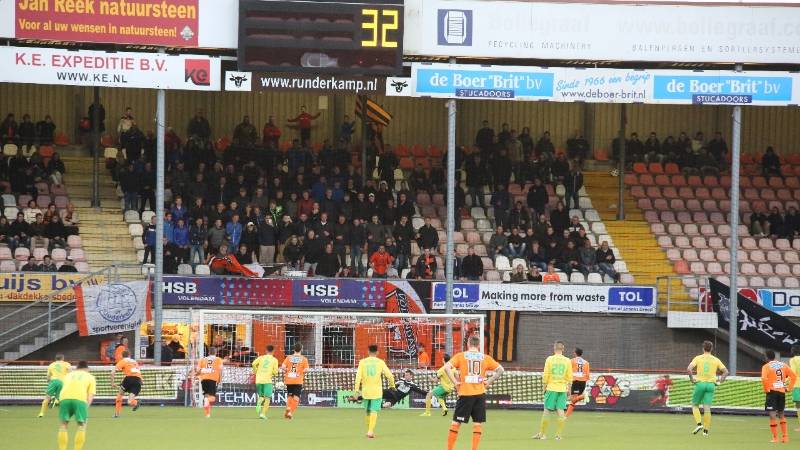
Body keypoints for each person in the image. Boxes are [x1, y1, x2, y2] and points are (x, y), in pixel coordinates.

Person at [444, 335, 504, 450]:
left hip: (465, 394)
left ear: (468, 344)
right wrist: (489, 382)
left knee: (456, 424)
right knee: (477, 424)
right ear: (478, 346)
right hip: (480, 395)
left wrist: (456, 383)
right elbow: (501, 370)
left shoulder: (461, 356)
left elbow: (447, 367)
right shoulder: (485, 357)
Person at [687, 340, 728, 437]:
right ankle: (705, 431)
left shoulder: (698, 358)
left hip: (700, 384)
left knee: (695, 405)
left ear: (703, 348)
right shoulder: (716, 359)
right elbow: (726, 372)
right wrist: (720, 382)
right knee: (707, 408)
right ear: (711, 349)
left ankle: (699, 424)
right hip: (711, 385)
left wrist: (692, 379)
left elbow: (689, 369)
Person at [533, 341, 573, 441]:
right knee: (561, 411)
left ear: (554, 349)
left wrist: (544, 388)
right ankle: (558, 435)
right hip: (562, 389)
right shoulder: (567, 360)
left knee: (546, 411)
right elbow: (569, 376)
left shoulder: (550, 359)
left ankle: (542, 434)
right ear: (563, 349)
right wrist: (569, 390)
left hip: (551, 388)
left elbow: (546, 374)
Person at [354, 344, 396, 438]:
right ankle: (370, 431)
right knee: (374, 411)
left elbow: (358, 377)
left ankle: (369, 431)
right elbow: (389, 375)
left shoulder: (362, 362)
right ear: (377, 352)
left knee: (368, 411)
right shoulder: (380, 362)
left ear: (368, 351)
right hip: (376, 391)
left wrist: (356, 390)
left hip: (366, 391)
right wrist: (392, 385)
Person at [56, 360, 95, 450]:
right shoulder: (90, 377)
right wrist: (86, 407)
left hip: (64, 399)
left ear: (77, 368)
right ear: (87, 369)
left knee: (63, 424)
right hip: (80, 399)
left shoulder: (68, 375)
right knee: (82, 425)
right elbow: (90, 395)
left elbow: (62, 388)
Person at [762, 349, 796, 443]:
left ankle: (775, 438)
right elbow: (793, 376)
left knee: (772, 415)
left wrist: (766, 390)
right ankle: (785, 437)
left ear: (766, 357)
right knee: (781, 414)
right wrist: (789, 388)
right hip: (781, 391)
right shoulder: (783, 365)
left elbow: (764, 379)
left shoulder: (766, 366)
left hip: (772, 392)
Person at [281, 343, 309, 419]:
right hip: (297, 380)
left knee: (290, 395)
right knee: (296, 397)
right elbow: (306, 369)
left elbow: (283, 367)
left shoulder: (289, 357)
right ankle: (290, 412)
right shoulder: (304, 359)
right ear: (301, 349)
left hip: (289, 379)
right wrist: (301, 371)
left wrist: (287, 370)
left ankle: (288, 408)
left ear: (294, 349)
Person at [111, 350, 142, 418]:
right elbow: (136, 372)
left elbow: (113, 372)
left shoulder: (123, 361)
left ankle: (117, 414)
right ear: (129, 355)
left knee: (120, 395)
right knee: (129, 402)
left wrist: (112, 383)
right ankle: (136, 402)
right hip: (138, 380)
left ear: (122, 356)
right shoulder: (135, 362)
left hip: (129, 379)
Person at [251, 344, 280, 419]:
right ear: (273, 351)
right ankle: (263, 414)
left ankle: (259, 401)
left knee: (261, 396)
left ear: (266, 350)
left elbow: (253, 364)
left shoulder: (261, 357)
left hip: (258, 380)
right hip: (267, 381)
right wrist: (271, 372)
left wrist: (255, 371)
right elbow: (275, 372)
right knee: (267, 398)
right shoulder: (274, 360)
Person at [197, 347, 223, 418]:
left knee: (206, 396)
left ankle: (207, 414)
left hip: (204, 379)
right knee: (212, 398)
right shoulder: (218, 359)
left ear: (208, 353)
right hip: (213, 379)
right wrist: (220, 379)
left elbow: (198, 370)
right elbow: (220, 369)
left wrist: (198, 374)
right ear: (216, 353)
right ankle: (207, 400)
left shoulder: (202, 360)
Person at [566, 348, 590, 417]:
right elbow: (587, 374)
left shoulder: (572, 361)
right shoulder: (586, 362)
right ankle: (566, 416)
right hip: (583, 382)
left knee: (572, 399)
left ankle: (584, 396)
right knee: (573, 400)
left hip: (576, 381)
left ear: (575, 353)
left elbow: (568, 370)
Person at [789, 345, 800, 431]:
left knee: (798, 406)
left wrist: (785, 382)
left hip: (797, 385)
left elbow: (792, 373)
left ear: (793, 351)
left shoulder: (793, 360)